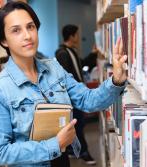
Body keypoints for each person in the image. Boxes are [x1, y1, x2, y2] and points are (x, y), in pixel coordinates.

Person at [0, 1, 128, 167]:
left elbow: (88, 100)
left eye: (30, 27)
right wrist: (54, 145)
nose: (27, 35)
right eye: (16, 30)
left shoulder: (54, 68)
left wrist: (116, 79)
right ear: (3, 40)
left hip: (62, 161)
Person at [55, 25, 95, 165]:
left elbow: (81, 65)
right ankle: (83, 152)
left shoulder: (72, 52)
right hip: (71, 99)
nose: (78, 37)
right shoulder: (63, 53)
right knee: (78, 124)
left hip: (75, 96)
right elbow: (64, 79)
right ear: (71, 36)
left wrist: (93, 54)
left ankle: (74, 150)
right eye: (77, 35)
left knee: (78, 124)